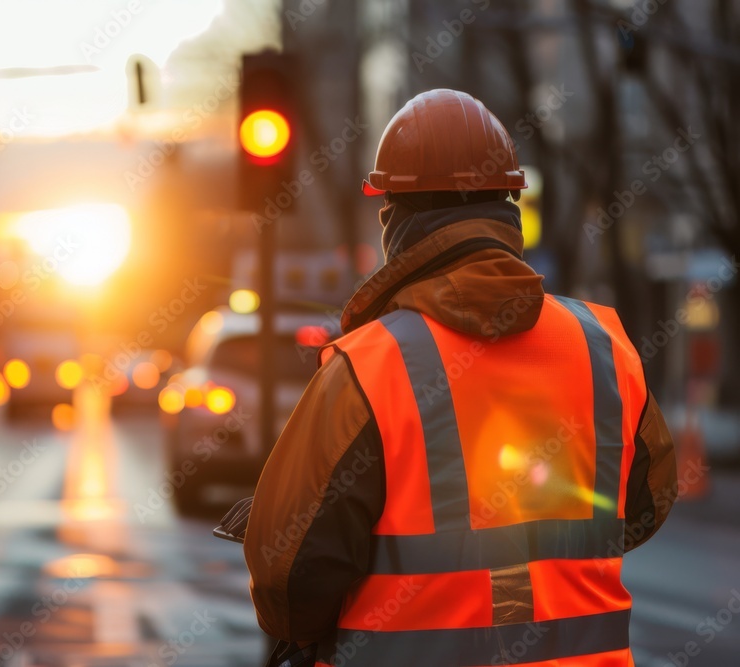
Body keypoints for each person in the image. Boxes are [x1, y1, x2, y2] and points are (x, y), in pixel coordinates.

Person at [242, 89, 678, 666]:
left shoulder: (367, 368)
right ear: (510, 207)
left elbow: (288, 577)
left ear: (393, 217)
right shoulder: (604, 346)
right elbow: (647, 504)